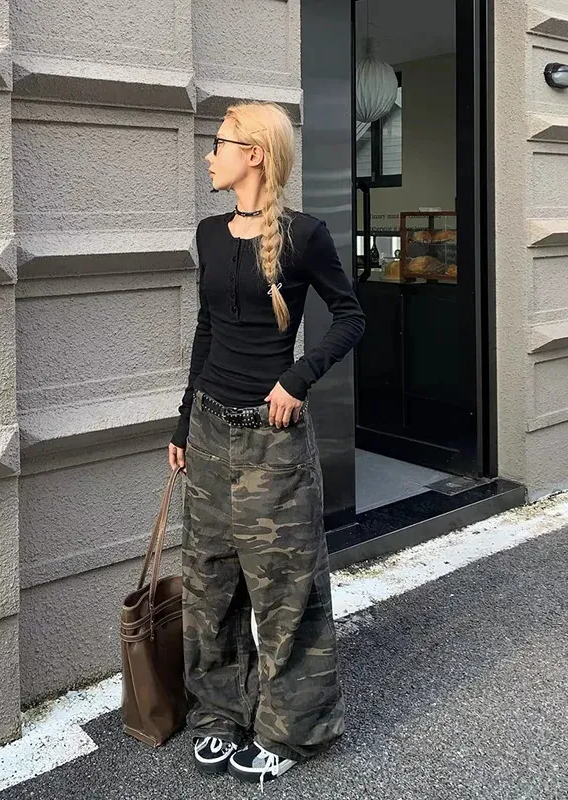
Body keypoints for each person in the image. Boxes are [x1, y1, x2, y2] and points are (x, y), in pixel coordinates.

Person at [167, 101, 366, 789]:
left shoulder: (306, 236)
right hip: (209, 432)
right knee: (210, 584)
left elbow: (351, 316)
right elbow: (206, 331)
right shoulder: (209, 233)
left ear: (253, 153)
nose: (209, 155)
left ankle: (290, 730)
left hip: (271, 442)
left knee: (285, 590)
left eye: (219, 143)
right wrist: (183, 423)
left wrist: (298, 378)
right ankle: (220, 712)